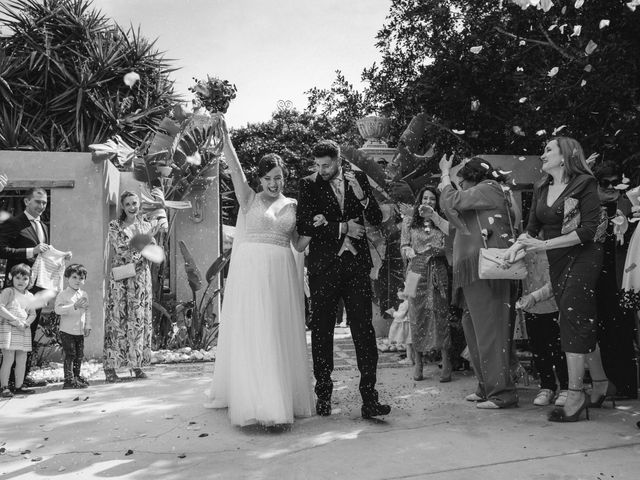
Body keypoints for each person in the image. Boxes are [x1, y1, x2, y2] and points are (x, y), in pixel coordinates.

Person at [205, 119, 313, 427]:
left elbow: (298, 244)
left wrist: (317, 228)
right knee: (259, 333)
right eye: (268, 178)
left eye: (278, 177)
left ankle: (280, 399)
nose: (273, 183)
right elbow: (235, 168)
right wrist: (225, 135)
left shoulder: (293, 204)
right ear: (261, 179)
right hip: (252, 275)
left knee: (278, 333)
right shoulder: (248, 198)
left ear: (284, 177)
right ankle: (261, 405)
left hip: (281, 274)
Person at [506, 137, 609, 422]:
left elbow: (588, 230)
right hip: (558, 259)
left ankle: (575, 394)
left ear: (565, 155)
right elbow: (531, 229)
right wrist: (513, 251)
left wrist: (544, 246)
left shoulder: (583, 184)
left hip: (584, 256)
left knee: (571, 319)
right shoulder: (541, 187)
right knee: (578, 319)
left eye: (548, 149)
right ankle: (600, 382)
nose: (543, 154)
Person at [297, 140, 391, 419]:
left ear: (338, 161)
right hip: (323, 269)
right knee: (322, 332)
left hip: (356, 268)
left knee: (364, 331)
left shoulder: (357, 178)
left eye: (326, 165)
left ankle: (370, 399)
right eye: (318, 165)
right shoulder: (308, 184)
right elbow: (303, 226)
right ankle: (323, 395)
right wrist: (343, 227)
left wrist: (363, 198)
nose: (321, 170)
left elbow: (374, 217)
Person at [439, 156, 519, 409]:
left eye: (460, 180)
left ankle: (502, 392)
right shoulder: (485, 191)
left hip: (486, 271)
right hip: (474, 271)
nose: (459, 184)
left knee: (490, 330)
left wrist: (444, 174)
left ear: (472, 176)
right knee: (473, 327)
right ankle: (487, 387)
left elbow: (451, 201)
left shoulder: (489, 189)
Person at [103, 191, 165, 382]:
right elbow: (121, 249)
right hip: (121, 279)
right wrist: (144, 241)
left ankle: (136, 365)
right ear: (123, 206)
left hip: (140, 280)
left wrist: (161, 206)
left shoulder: (146, 224)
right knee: (117, 321)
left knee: (138, 321)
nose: (132, 207)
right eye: (128, 204)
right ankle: (111, 368)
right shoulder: (115, 225)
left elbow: (151, 250)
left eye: (135, 203)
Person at [0, 187, 58, 387]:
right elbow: (1, 249)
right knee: (11, 331)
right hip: (18, 288)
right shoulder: (14, 223)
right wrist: (29, 251)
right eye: (37, 202)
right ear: (26, 201)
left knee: (29, 331)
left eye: (44, 203)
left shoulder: (43, 225)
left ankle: (21, 379)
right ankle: (5, 382)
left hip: (37, 287)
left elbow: (43, 257)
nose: (41, 206)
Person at [592, 161, 638, 399]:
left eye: (615, 182)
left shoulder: (630, 204)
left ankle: (627, 384)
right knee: (603, 332)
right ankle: (610, 383)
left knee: (622, 331)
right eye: (605, 183)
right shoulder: (591, 206)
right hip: (597, 277)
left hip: (623, 278)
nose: (611, 187)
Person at [400, 186, 451, 382]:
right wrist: (408, 251)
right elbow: (404, 245)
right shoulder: (409, 220)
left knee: (440, 314)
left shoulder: (441, 222)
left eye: (432, 199)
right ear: (419, 200)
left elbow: (450, 246)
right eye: (425, 198)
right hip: (414, 271)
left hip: (437, 268)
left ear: (437, 202)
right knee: (416, 315)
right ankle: (418, 362)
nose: (428, 201)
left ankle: (446, 361)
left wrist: (436, 250)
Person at [516, 251, 569, 406]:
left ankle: (566, 387)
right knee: (538, 349)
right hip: (530, 308)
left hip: (554, 306)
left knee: (559, 349)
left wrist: (535, 297)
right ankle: (547, 386)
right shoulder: (523, 245)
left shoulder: (553, 246)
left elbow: (557, 280)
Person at [0, 264, 36, 397]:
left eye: (25, 278)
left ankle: (19, 386)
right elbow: (0, 308)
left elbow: (33, 313)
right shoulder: (8, 292)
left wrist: (26, 323)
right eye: (18, 278)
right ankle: (4, 387)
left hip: (23, 330)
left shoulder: (30, 295)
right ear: (12, 278)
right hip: (8, 328)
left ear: (29, 280)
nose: (21, 281)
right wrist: (15, 320)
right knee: (8, 358)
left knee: (22, 359)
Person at [55, 264, 91, 389]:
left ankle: (76, 376)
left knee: (79, 355)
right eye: (74, 277)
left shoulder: (84, 294)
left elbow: (87, 311)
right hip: (67, 330)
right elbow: (58, 310)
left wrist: (88, 325)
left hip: (80, 331)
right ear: (67, 278)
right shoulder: (63, 295)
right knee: (70, 354)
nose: (78, 281)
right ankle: (68, 380)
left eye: (81, 278)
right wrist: (73, 306)